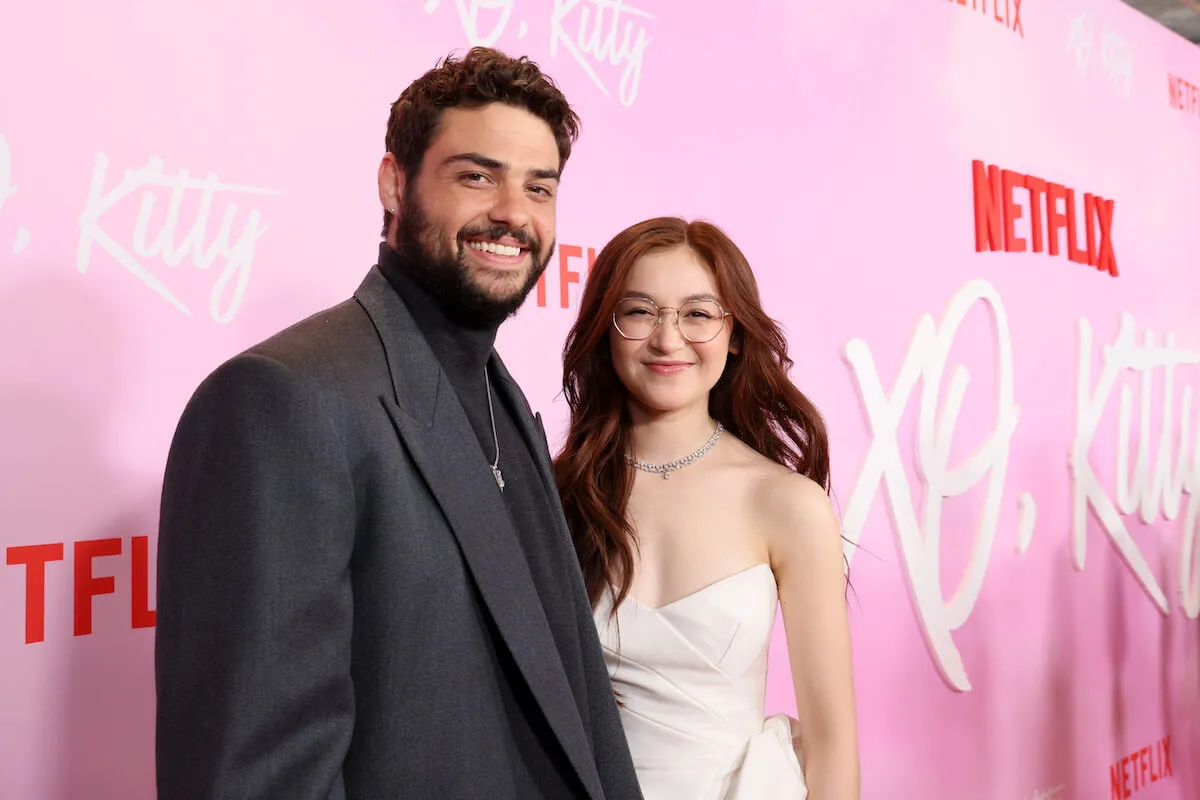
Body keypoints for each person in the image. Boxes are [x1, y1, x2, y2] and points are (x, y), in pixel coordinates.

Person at [154, 48, 642, 800]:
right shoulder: (280, 400)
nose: (513, 213)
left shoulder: (501, 395)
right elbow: (256, 776)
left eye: (538, 187)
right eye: (477, 176)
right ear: (394, 183)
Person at [553, 217, 861, 799]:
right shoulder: (555, 495)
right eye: (640, 311)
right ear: (605, 329)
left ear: (735, 334)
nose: (669, 340)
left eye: (697, 314)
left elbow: (833, 747)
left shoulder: (786, 503)